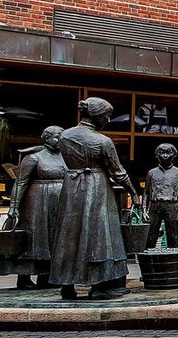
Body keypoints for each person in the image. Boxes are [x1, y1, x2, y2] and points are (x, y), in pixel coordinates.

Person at [53, 98, 138, 300]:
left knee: (69, 233)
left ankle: (67, 284)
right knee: (100, 235)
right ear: (97, 116)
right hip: (97, 187)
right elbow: (118, 172)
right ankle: (100, 285)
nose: (108, 120)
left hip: (71, 187)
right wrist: (133, 191)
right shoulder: (102, 141)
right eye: (106, 116)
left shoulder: (64, 136)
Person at [0, 126, 67, 289]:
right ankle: (24, 277)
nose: (60, 140)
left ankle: (47, 275)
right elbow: (20, 183)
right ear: (47, 138)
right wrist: (13, 206)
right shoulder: (34, 158)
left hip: (59, 203)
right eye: (57, 137)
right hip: (37, 204)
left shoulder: (64, 156)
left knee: (52, 239)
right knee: (34, 238)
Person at [144, 143, 178, 249]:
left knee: (173, 236)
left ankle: (173, 261)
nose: (165, 156)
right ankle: (150, 261)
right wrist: (144, 210)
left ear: (173, 155)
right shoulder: (151, 173)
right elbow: (146, 193)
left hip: (171, 205)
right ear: (157, 155)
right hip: (155, 206)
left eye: (168, 153)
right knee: (150, 236)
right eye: (162, 153)